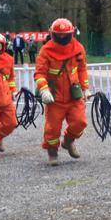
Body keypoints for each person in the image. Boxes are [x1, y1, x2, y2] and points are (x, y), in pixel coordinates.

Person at [34, 19, 89, 165]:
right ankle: (52, 152)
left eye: (65, 35)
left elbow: (82, 69)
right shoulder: (46, 50)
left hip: (74, 95)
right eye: (59, 35)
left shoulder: (78, 48)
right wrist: (44, 90)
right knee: (52, 128)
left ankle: (68, 141)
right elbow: (39, 73)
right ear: (52, 34)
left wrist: (85, 88)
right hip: (54, 97)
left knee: (80, 122)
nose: (63, 38)